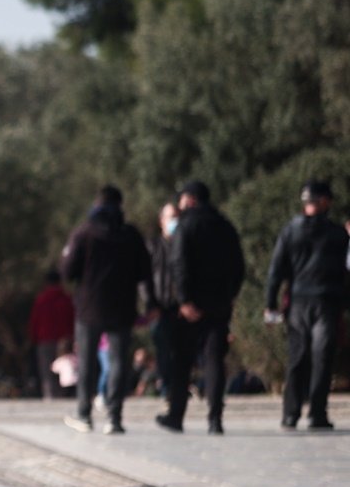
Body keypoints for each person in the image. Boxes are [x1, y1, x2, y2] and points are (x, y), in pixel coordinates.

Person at [59, 186, 151, 434]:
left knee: (87, 362)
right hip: (122, 307)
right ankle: (115, 417)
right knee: (119, 362)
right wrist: (150, 304)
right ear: (121, 205)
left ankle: (84, 415)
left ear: (96, 203)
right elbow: (145, 271)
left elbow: (67, 272)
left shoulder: (84, 233)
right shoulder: (131, 234)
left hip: (89, 308)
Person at [158, 181, 245, 435]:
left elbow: (179, 264)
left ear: (192, 200)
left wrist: (184, 301)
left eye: (183, 199)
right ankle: (215, 419)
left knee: (182, 361)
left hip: (191, 306)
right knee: (214, 360)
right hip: (219, 304)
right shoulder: (225, 226)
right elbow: (239, 266)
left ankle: (176, 416)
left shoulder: (186, 226)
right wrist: (229, 296)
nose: (181, 204)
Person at [265, 180, 348, 430]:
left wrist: (270, 304)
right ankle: (317, 414)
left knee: (297, 359)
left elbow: (276, 270)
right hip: (327, 303)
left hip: (299, 302)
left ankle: (290, 414)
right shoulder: (338, 233)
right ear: (323, 201)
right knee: (322, 359)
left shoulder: (291, 230)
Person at [144, 202, 181, 400]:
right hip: (159, 308)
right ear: (161, 221)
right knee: (163, 350)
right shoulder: (152, 246)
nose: (175, 221)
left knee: (180, 350)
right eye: (171, 217)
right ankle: (167, 388)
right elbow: (144, 279)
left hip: (181, 308)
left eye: (177, 217)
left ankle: (179, 388)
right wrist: (150, 304)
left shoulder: (184, 245)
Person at [27, 269, 74, 402]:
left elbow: (34, 320)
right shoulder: (66, 298)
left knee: (47, 372)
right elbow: (73, 319)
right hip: (64, 341)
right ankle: (64, 398)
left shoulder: (41, 299)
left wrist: (33, 337)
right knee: (66, 370)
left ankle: (50, 398)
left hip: (45, 340)